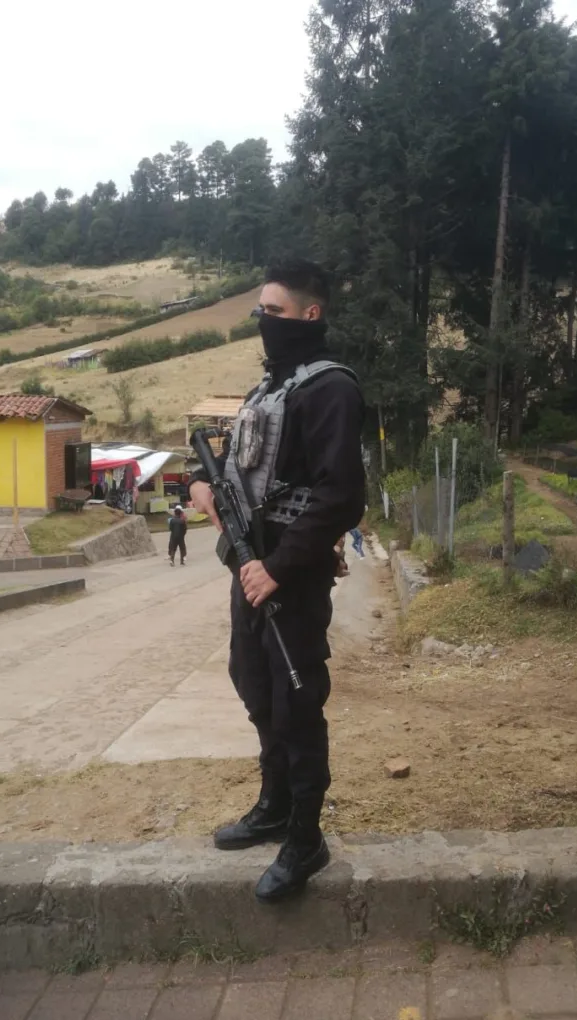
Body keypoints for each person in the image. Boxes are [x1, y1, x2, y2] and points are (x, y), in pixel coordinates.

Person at [188, 259, 365, 902]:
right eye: (260, 310)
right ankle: (275, 804)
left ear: (310, 314)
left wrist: (279, 568)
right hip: (249, 565)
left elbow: (341, 496)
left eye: (274, 311)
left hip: (291, 572)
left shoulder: (331, 389)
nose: (264, 321)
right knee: (253, 681)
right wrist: (200, 484)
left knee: (296, 699)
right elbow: (234, 466)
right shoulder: (265, 390)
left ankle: (306, 836)